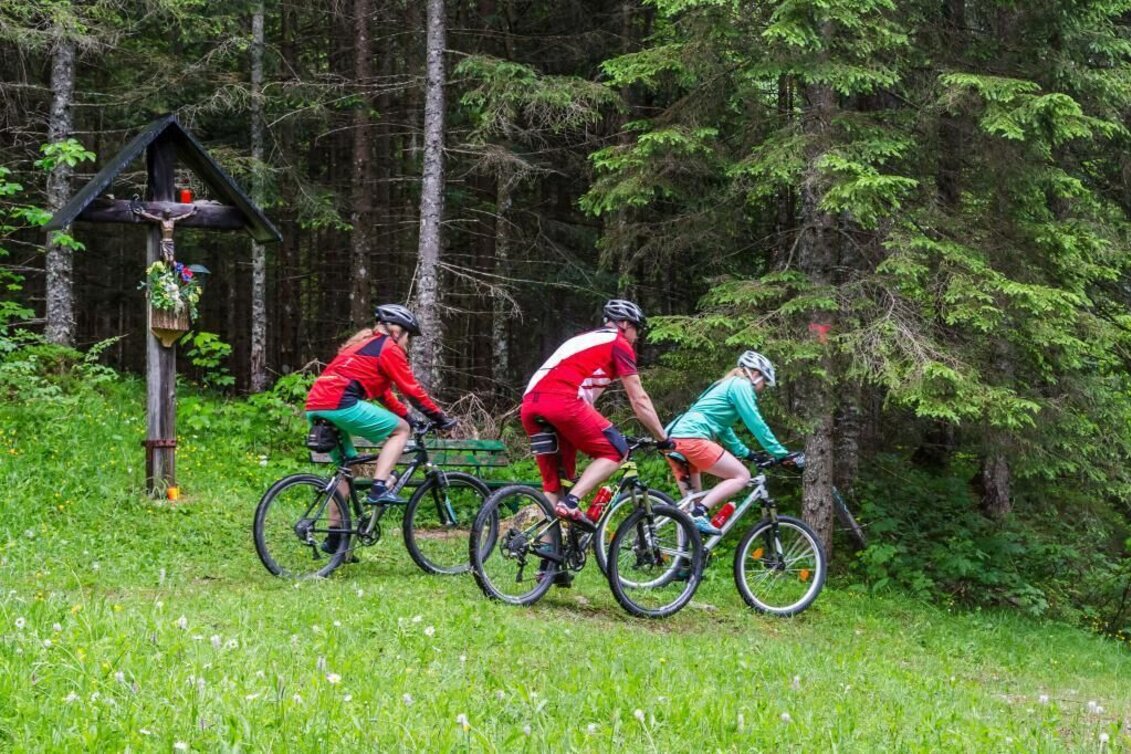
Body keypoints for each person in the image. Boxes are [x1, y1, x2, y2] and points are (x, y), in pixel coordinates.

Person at [521, 299, 672, 530]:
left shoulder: (584, 340)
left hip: (531, 404)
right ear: (623, 324)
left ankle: (548, 561)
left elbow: (586, 399)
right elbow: (639, 399)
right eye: (636, 328)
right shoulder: (618, 342)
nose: (637, 336)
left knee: (555, 486)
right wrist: (663, 438)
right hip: (562, 401)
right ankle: (572, 503)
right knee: (616, 450)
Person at [305, 303, 456, 514]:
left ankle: (334, 536)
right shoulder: (388, 347)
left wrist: (409, 417)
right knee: (401, 430)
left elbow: (383, 395)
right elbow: (411, 390)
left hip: (315, 406)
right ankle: (378, 487)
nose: (407, 343)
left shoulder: (361, 346)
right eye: (408, 337)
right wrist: (439, 417)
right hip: (339, 403)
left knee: (348, 469)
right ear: (396, 330)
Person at [665, 350, 798, 536]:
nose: (763, 389)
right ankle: (699, 513)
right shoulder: (741, 386)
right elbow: (756, 423)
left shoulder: (727, 385)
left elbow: (724, 430)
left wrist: (748, 454)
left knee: (691, 506)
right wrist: (781, 454)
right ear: (756, 375)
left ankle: (684, 560)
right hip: (692, 438)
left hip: (675, 440)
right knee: (741, 476)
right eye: (765, 384)